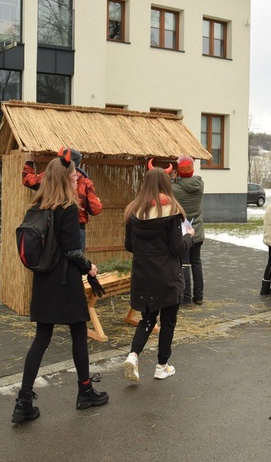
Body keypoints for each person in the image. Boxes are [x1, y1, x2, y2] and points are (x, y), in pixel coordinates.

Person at [11, 151, 108, 425]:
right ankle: (85, 391)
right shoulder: (68, 209)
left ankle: (23, 402)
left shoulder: (37, 206)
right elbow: (71, 250)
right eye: (74, 172)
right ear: (65, 177)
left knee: (41, 339)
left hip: (43, 281)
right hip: (65, 282)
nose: (77, 174)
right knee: (78, 333)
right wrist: (89, 266)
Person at [122, 167, 194, 382]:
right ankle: (162, 366)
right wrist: (189, 237)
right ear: (166, 184)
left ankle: (133, 355)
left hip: (143, 273)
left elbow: (129, 245)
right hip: (167, 274)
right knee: (168, 320)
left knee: (147, 318)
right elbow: (176, 248)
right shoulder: (171, 211)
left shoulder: (132, 211)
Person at [22, 148, 102, 250]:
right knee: (75, 260)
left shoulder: (49, 177)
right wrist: (98, 201)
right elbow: (95, 209)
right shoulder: (84, 181)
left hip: (51, 225)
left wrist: (29, 162)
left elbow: (28, 180)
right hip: (76, 228)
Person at [171, 156, 205, 305]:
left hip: (184, 232)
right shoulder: (200, 184)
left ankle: (186, 297)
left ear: (178, 171)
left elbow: (168, 189)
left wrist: (172, 178)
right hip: (197, 230)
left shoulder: (175, 189)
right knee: (196, 262)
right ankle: (199, 296)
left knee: (184, 263)